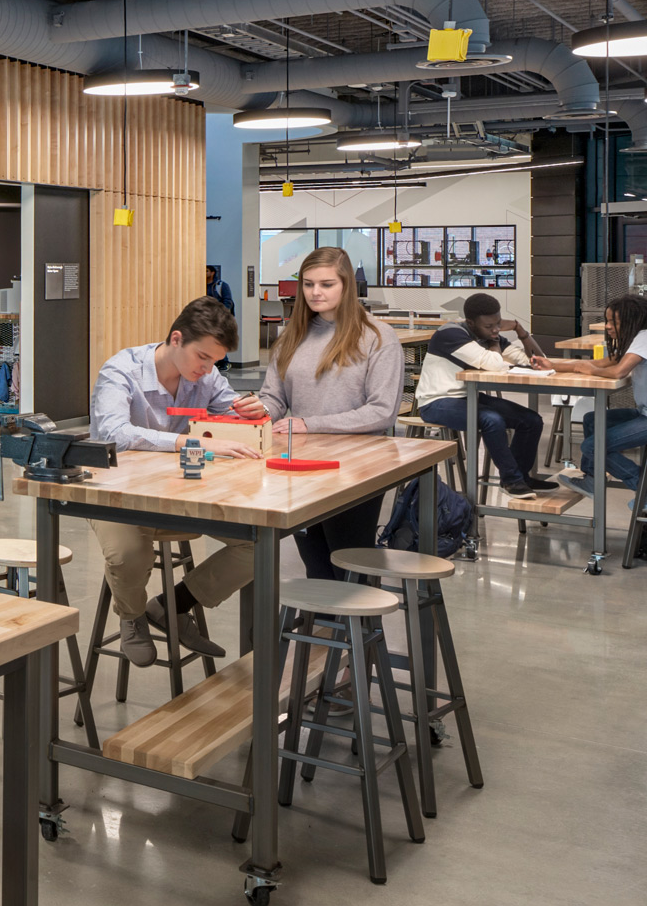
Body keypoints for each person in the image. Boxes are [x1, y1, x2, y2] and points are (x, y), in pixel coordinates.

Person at [90, 297, 267, 664]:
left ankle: (172, 606)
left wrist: (250, 411)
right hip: (115, 492)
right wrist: (189, 442)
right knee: (127, 554)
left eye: (215, 362)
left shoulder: (207, 375)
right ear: (176, 339)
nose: (207, 369)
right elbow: (113, 432)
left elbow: (228, 414)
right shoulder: (121, 370)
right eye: (202, 357)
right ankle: (133, 617)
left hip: (180, 492)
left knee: (259, 543)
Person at [256, 246, 404, 580]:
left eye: (325, 284)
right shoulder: (290, 337)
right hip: (301, 464)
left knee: (351, 565)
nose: (315, 292)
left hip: (358, 466)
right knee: (316, 565)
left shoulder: (378, 337)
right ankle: (325, 628)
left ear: (347, 285)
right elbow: (275, 399)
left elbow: (382, 412)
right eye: (308, 284)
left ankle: (359, 630)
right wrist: (259, 410)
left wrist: (309, 423)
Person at [413, 292, 559, 499]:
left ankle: (520, 478)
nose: (496, 329)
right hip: (436, 402)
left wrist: (520, 330)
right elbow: (494, 364)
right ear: (471, 322)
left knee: (531, 420)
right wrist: (494, 343)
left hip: (469, 398)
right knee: (492, 420)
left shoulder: (488, 336)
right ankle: (511, 480)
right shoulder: (450, 334)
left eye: (499, 323)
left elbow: (537, 360)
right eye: (489, 326)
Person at [557, 293, 647, 504]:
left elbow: (618, 372)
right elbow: (603, 363)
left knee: (592, 446)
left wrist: (585, 368)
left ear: (632, 320)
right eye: (607, 320)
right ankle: (592, 480)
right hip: (642, 412)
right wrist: (551, 366)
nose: (607, 326)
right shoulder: (636, 341)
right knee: (592, 419)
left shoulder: (644, 337)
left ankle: (643, 490)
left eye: (613, 322)